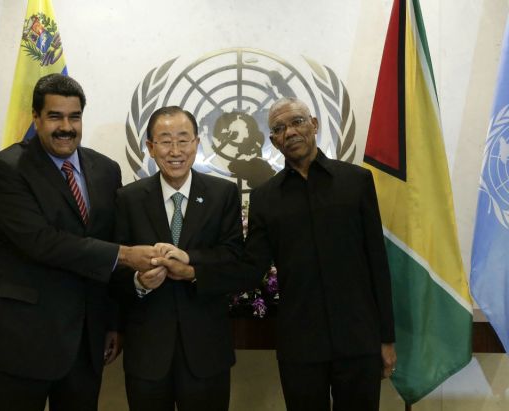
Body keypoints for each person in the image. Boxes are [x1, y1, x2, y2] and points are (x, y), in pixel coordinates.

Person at [156, 97, 397, 411]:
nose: (290, 132)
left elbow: (377, 262)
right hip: (300, 346)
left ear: (314, 124)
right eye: (280, 128)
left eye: (297, 122)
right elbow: (250, 268)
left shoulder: (356, 182)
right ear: (273, 141)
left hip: (359, 339)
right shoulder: (265, 198)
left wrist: (386, 338)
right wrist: (193, 267)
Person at [0, 73, 156, 411]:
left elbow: (108, 242)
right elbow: (41, 242)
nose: (66, 127)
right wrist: (126, 255)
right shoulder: (4, 170)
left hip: (86, 341)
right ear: (36, 118)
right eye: (55, 116)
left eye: (74, 117)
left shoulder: (106, 169)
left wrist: (112, 322)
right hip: (23, 339)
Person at [111, 106, 244, 411]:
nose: (175, 151)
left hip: (206, 351)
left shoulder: (222, 194)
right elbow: (114, 266)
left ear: (197, 143)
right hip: (148, 353)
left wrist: (191, 266)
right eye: (165, 141)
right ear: (150, 147)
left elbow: (234, 257)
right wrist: (138, 281)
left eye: (183, 140)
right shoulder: (128, 198)